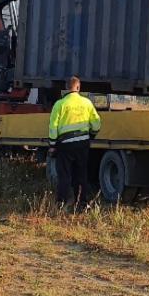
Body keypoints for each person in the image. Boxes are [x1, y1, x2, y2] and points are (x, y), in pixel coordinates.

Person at [48, 76, 101, 208]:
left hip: (65, 144)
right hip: (82, 143)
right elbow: (96, 123)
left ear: (66, 88)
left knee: (64, 174)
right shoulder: (87, 103)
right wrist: (91, 135)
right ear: (78, 87)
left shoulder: (60, 104)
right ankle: (82, 203)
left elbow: (53, 126)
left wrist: (52, 145)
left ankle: (62, 202)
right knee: (81, 173)